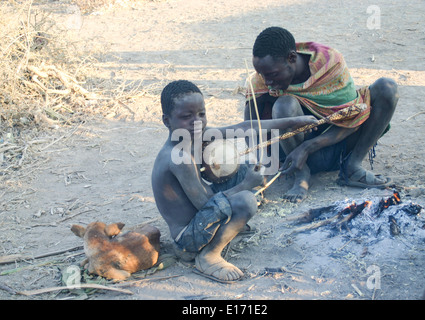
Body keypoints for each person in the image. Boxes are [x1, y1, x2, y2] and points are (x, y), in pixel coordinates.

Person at [151, 80, 318, 282]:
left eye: (201, 114)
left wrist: (293, 121)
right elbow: (206, 205)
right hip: (187, 240)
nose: (198, 122)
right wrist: (246, 185)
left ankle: (226, 229)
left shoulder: (193, 136)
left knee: (243, 167)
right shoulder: (179, 157)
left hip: (201, 218)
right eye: (187, 117)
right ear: (167, 121)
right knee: (247, 200)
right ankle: (209, 255)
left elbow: (244, 127)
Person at [245, 26, 399, 202]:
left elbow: (353, 119)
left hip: (337, 146)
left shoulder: (329, 63)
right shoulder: (263, 77)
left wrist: (307, 147)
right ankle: (301, 174)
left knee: (387, 88)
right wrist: (258, 171)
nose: (267, 82)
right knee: (283, 105)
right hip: (290, 156)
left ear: (292, 58)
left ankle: (353, 167)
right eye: (261, 74)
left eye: (272, 75)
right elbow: (250, 127)